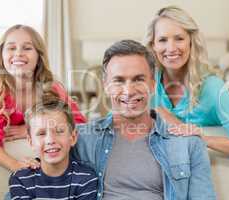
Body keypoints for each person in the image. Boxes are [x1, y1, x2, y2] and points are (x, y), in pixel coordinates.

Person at [73, 40, 216, 200]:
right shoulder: (81, 139)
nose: (129, 91)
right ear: (106, 86)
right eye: (119, 81)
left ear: (153, 84)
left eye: (138, 79)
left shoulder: (188, 143)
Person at [144, 6, 229, 160]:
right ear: (153, 45)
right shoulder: (147, 82)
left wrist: (201, 139)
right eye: (162, 40)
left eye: (179, 38)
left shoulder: (212, 87)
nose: (171, 48)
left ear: (191, 42)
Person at [0, 24, 86, 172]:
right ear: (1, 54)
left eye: (27, 48)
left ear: (39, 56)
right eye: (11, 48)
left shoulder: (52, 88)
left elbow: (79, 123)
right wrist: (15, 165)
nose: (18, 53)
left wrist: (29, 128)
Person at [9, 97, 97, 200]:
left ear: (72, 137)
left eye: (59, 131)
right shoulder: (20, 179)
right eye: (41, 133)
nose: (50, 140)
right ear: (31, 142)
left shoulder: (86, 179)